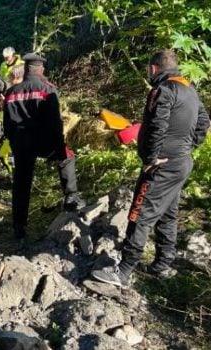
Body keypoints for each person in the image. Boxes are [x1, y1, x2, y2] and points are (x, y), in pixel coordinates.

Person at [92, 50, 210, 287]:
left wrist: (152, 157)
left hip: (161, 166)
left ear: (154, 68)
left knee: (140, 213)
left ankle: (123, 271)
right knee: (168, 213)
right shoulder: (190, 89)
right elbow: (205, 123)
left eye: (149, 69)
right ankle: (163, 265)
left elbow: (158, 124)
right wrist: (187, 147)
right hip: (180, 163)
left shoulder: (163, 90)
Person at [3, 53, 85, 238]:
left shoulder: (11, 92)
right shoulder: (47, 90)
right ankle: (71, 196)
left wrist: (13, 140)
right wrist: (58, 146)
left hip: (20, 142)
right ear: (41, 70)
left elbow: (6, 125)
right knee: (67, 157)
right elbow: (55, 122)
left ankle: (19, 226)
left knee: (21, 182)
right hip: (41, 140)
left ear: (25, 70)